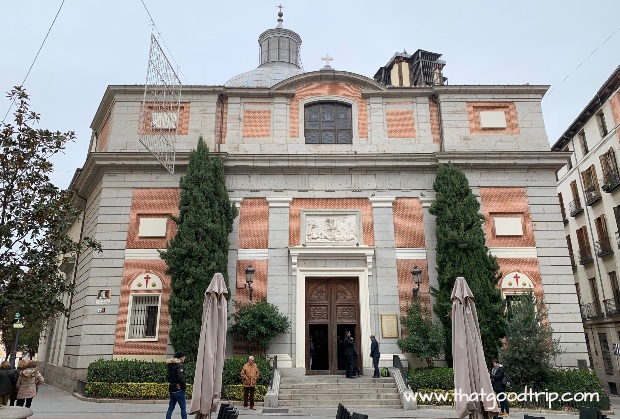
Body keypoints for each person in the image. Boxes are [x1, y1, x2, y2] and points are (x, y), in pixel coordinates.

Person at [166, 351, 187, 419]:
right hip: (179, 389)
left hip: (172, 389)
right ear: (180, 358)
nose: (184, 358)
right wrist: (183, 387)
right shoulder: (179, 365)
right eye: (183, 356)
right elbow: (181, 377)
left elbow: (168, 377)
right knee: (183, 408)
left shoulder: (170, 365)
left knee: (170, 408)